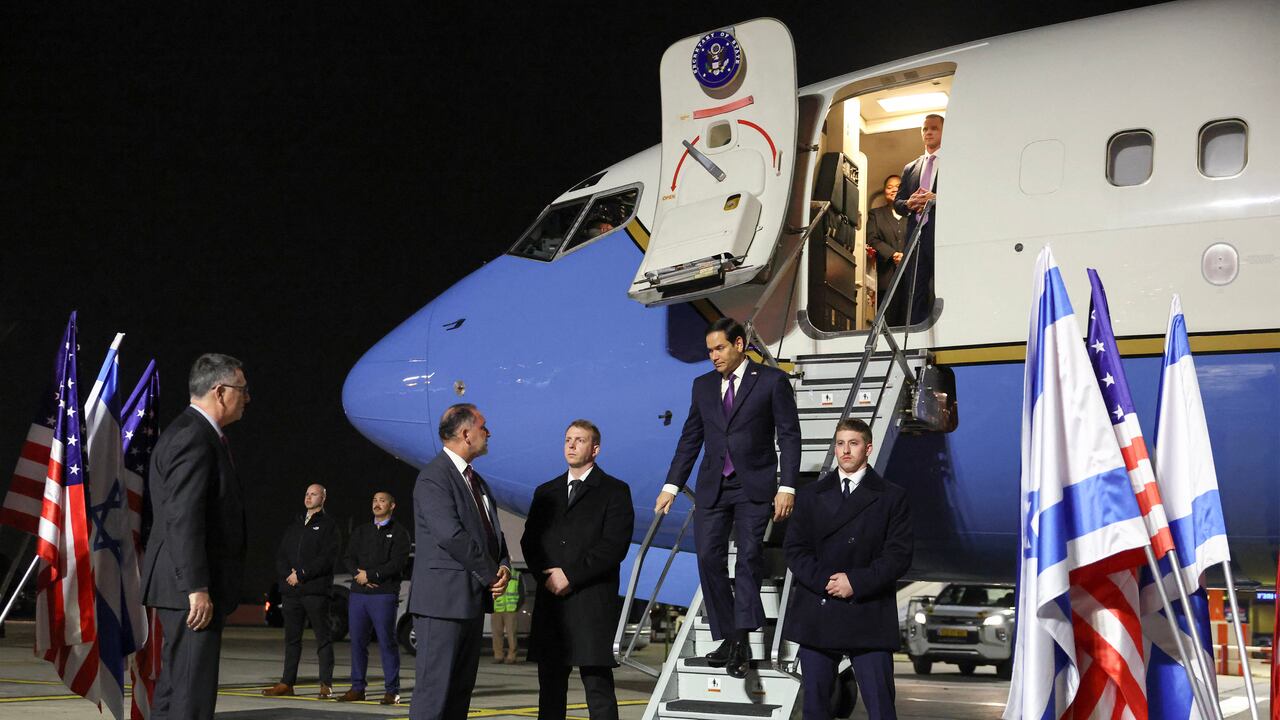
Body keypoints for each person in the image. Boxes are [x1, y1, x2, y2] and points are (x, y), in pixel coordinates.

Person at [655, 317, 801, 679]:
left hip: (753, 485)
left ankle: (741, 642)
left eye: (719, 348)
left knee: (749, 557)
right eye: (709, 351)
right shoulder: (702, 386)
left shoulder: (771, 381)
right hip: (713, 486)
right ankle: (732, 634)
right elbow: (691, 439)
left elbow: (789, 435)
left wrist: (788, 486)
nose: (713, 357)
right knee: (707, 558)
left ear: (739, 344)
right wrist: (671, 485)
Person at [141, 353, 249, 720]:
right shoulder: (194, 437)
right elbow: (183, 519)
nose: (247, 398)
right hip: (189, 589)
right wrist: (197, 588)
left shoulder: (196, 433)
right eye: (242, 389)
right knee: (192, 693)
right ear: (220, 391)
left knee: (178, 686)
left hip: (182, 585)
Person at [783, 418, 913, 720]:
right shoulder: (812, 495)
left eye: (853, 444)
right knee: (815, 709)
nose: (845, 451)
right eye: (840, 443)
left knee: (881, 708)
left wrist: (855, 582)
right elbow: (795, 550)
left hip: (868, 612)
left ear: (868, 448)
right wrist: (826, 582)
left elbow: (898, 556)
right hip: (819, 610)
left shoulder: (892, 497)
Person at [522, 420, 634, 720]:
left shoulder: (614, 491)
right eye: (568, 439)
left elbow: (614, 546)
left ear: (595, 449)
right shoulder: (546, 492)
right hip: (552, 605)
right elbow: (529, 541)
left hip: (590, 602)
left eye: (579, 440)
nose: (571, 445)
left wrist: (569, 575)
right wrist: (547, 576)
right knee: (550, 690)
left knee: (598, 689)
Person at [409, 404, 511, 720]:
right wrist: (491, 574)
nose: (488, 431)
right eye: (483, 426)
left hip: (468, 601)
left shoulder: (476, 481)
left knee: (458, 697)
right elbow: (449, 534)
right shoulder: (434, 478)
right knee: (434, 695)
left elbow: (492, 531)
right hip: (441, 604)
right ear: (466, 434)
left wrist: (504, 565)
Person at [263, 483, 339, 698]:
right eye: (306, 493)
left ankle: (325, 683)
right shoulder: (295, 524)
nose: (308, 497)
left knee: (323, 638)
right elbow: (281, 555)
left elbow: (327, 558)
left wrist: (302, 574)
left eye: (313, 494)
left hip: (315, 592)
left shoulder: (329, 525)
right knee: (292, 639)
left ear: (323, 498)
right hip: (292, 593)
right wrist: (288, 576)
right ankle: (287, 683)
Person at [337, 490, 411, 705]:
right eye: (374, 500)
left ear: (392, 505)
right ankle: (357, 687)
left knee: (387, 642)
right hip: (359, 595)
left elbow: (397, 563)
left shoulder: (399, 533)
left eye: (382, 501)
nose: (377, 504)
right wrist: (358, 576)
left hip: (383, 594)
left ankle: (392, 690)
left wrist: (371, 575)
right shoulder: (362, 531)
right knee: (357, 643)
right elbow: (348, 557)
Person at [893, 113, 944, 325]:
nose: (928, 132)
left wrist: (938, 198)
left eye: (934, 128)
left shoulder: (954, 162)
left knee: (942, 284)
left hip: (941, 235)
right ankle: (915, 331)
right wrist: (908, 204)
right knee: (914, 289)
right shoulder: (910, 167)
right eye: (925, 129)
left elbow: (965, 195)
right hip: (915, 236)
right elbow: (898, 203)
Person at [866, 174, 908, 326]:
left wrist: (906, 255)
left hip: (909, 276)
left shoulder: (912, 215)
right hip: (886, 276)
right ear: (884, 192)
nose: (893, 190)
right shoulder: (876, 214)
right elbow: (872, 238)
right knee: (887, 319)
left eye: (897, 187)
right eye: (889, 187)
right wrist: (893, 254)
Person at [489, 567, 521, 664]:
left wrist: (516, 606)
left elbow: (522, 592)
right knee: (496, 634)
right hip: (497, 609)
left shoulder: (516, 574)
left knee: (511, 634)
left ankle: (512, 657)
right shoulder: (493, 573)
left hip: (511, 610)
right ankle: (498, 656)